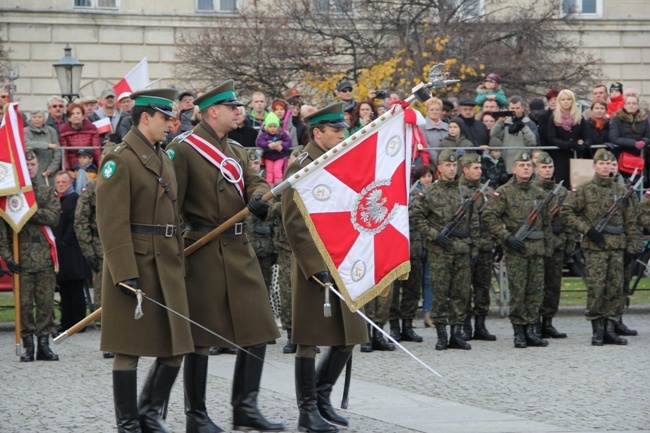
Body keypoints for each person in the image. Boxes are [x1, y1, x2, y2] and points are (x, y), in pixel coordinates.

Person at [166, 80, 284, 432]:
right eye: (232, 107)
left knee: (259, 329)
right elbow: (171, 204)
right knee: (201, 338)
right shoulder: (183, 149)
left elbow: (256, 182)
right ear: (212, 111)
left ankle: (245, 407)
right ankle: (196, 416)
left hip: (238, 248)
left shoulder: (235, 149)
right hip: (202, 249)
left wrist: (261, 198)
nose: (240, 112)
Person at [96, 88, 194, 432]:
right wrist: (124, 273)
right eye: (167, 118)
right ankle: (128, 424)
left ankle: (148, 414)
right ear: (146, 118)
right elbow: (111, 222)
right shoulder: (119, 159)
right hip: (136, 263)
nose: (173, 124)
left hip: (166, 259)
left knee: (175, 346)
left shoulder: (164, 156)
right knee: (129, 348)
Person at [281, 102, 367, 432]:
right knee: (308, 338)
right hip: (313, 263)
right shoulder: (301, 165)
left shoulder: (337, 160)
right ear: (317, 133)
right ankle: (307, 412)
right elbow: (293, 221)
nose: (341, 135)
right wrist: (314, 265)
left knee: (350, 334)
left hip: (343, 260)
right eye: (336, 131)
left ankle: (321, 396)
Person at [560, 149, 637, 346]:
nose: (605, 167)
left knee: (615, 288)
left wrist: (632, 246)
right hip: (596, 246)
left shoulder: (621, 191)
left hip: (618, 246)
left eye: (608, 163)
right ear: (594, 166)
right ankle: (597, 330)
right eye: (601, 163)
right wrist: (587, 229)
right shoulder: (584, 189)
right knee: (596, 288)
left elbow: (631, 221)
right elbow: (566, 212)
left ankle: (611, 328)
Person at [483, 150, 552, 348]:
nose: (525, 168)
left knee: (535, 291)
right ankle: (519, 332)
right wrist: (506, 236)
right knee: (518, 291)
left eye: (529, 165)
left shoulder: (539, 193)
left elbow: (546, 222)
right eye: (521, 165)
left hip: (537, 248)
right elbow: (489, 216)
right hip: (517, 250)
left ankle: (532, 329)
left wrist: (547, 248)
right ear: (513, 169)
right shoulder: (504, 192)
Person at [411, 149, 478, 351]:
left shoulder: (464, 192)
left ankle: (457, 333)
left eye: (454, 165)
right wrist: (434, 235)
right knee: (440, 292)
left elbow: (474, 221)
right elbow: (416, 217)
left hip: (462, 249)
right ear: (439, 168)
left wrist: (474, 248)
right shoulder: (430, 192)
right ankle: (441, 334)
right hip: (440, 250)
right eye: (447, 165)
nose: (451, 168)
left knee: (461, 292)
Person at [0, 150, 60, 362]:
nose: (31, 167)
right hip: (21, 259)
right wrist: (8, 257)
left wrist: (28, 210)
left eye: (33, 164)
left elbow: (53, 217)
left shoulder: (44, 192)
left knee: (45, 304)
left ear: (38, 165)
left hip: (44, 258)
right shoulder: (10, 197)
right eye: (27, 164)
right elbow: (3, 232)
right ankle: (28, 345)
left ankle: (44, 345)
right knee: (24, 305)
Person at [390, 165, 434, 340]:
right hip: (394, 249)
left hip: (415, 248)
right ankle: (394, 327)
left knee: (413, 289)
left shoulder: (417, 195)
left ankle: (407, 325)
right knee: (393, 291)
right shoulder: (389, 194)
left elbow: (423, 220)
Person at [458, 153, 497, 341]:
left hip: (485, 244)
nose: (479, 171)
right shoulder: (457, 191)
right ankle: (465, 325)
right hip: (466, 245)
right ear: (465, 170)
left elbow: (495, 217)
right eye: (475, 168)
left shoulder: (487, 191)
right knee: (464, 287)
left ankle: (480, 325)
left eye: (480, 168)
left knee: (483, 286)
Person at [533, 152, 570, 339]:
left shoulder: (561, 191)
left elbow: (569, 217)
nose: (547, 170)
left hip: (557, 242)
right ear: (536, 169)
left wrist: (569, 242)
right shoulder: (531, 189)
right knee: (537, 284)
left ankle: (548, 321)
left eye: (550, 167)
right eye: (543, 167)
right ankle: (534, 322)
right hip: (538, 243)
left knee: (554, 285)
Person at [53, 170, 90, 333]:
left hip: (72, 252)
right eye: (58, 182)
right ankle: (66, 320)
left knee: (76, 288)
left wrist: (64, 242)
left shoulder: (74, 199)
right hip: (60, 253)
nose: (60, 185)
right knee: (64, 288)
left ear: (70, 183)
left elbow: (73, 223)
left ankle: (79, 322)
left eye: (63, 182)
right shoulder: (56, 200)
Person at [73, 179, 106, 337]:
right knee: (102, 294)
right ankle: (105, 336)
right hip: (101, 249)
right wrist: (89, 251)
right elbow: (81, 220)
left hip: (130, 246)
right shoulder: (94, 187)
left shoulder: (131, 181)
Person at [547, 89, 591, 188]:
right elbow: (552, 138)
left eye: (568, 99)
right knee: (562, 185)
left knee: (578, 186)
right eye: (563, 99)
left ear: (572, 101)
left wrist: (584, 145)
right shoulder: (553, 117)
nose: (566, 101)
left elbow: (588, 136)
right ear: (559, 101)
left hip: (577, 156)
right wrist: (568, 145)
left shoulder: (579, 117)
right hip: (560, 157)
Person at [490, 96, 538, 171]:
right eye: (512, 108)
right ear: (509, 108)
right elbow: (494, 136)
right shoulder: (505, 122)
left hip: (523, 162)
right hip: (507, 162)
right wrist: (499, 122)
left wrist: (523, 127)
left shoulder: (530, 123)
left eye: (517, 108)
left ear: (522, 108)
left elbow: (533, 142)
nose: (515, 111)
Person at [609, 94, 650, 166]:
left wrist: (644, 141)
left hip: (640, 155)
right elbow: (614, 137)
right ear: (624, 105)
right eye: (629, 103)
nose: (631, 105)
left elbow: (648, 135)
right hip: (621, 154)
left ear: (638, 105)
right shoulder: (617, 119)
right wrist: (633, 143)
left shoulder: (644, 119)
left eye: (634, 103)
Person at [24, 109, 62, 186]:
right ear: (30, 119)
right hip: (33, 169)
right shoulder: (25, 131)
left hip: (49, 170)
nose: (37, 119)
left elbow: (57, 150)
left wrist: (52, 168)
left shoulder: (51, 131)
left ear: (44, 119)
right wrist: (47, 145)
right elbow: (26, 143)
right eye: (34, 117)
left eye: (40, 117)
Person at [59, 102, 102, 170]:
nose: (75, 116)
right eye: (72, 114)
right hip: (72, 167)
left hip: (90, 166)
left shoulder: (92, 129)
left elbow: (96, 150)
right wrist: (67, 171)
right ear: (69, 118)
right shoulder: (64, 131)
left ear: (83, 116)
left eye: (78, 113)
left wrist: (100, 167)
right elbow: (64, 154)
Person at [256, 112, 292, 185]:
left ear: (278, 127)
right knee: (269, 171)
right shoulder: (264, 134)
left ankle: (278, 186)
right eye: (270, 126)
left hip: (280, 156)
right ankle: (269, 186)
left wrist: (282, 146)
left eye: (274, 126)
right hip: (269, 156)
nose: (272, 129)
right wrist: (268, 144)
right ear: (266, 127)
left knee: (277, 170)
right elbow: (259, 142)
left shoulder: (282, 133)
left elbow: (288, 141)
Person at [421, 97, 449, 171]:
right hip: (430, 166)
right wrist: (439, 161)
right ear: (427, 111)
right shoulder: (421, 126)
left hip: (447, 164)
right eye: (432, 109)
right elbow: (425, 146)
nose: (435, 112)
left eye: (437, 109)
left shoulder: (447, 126)